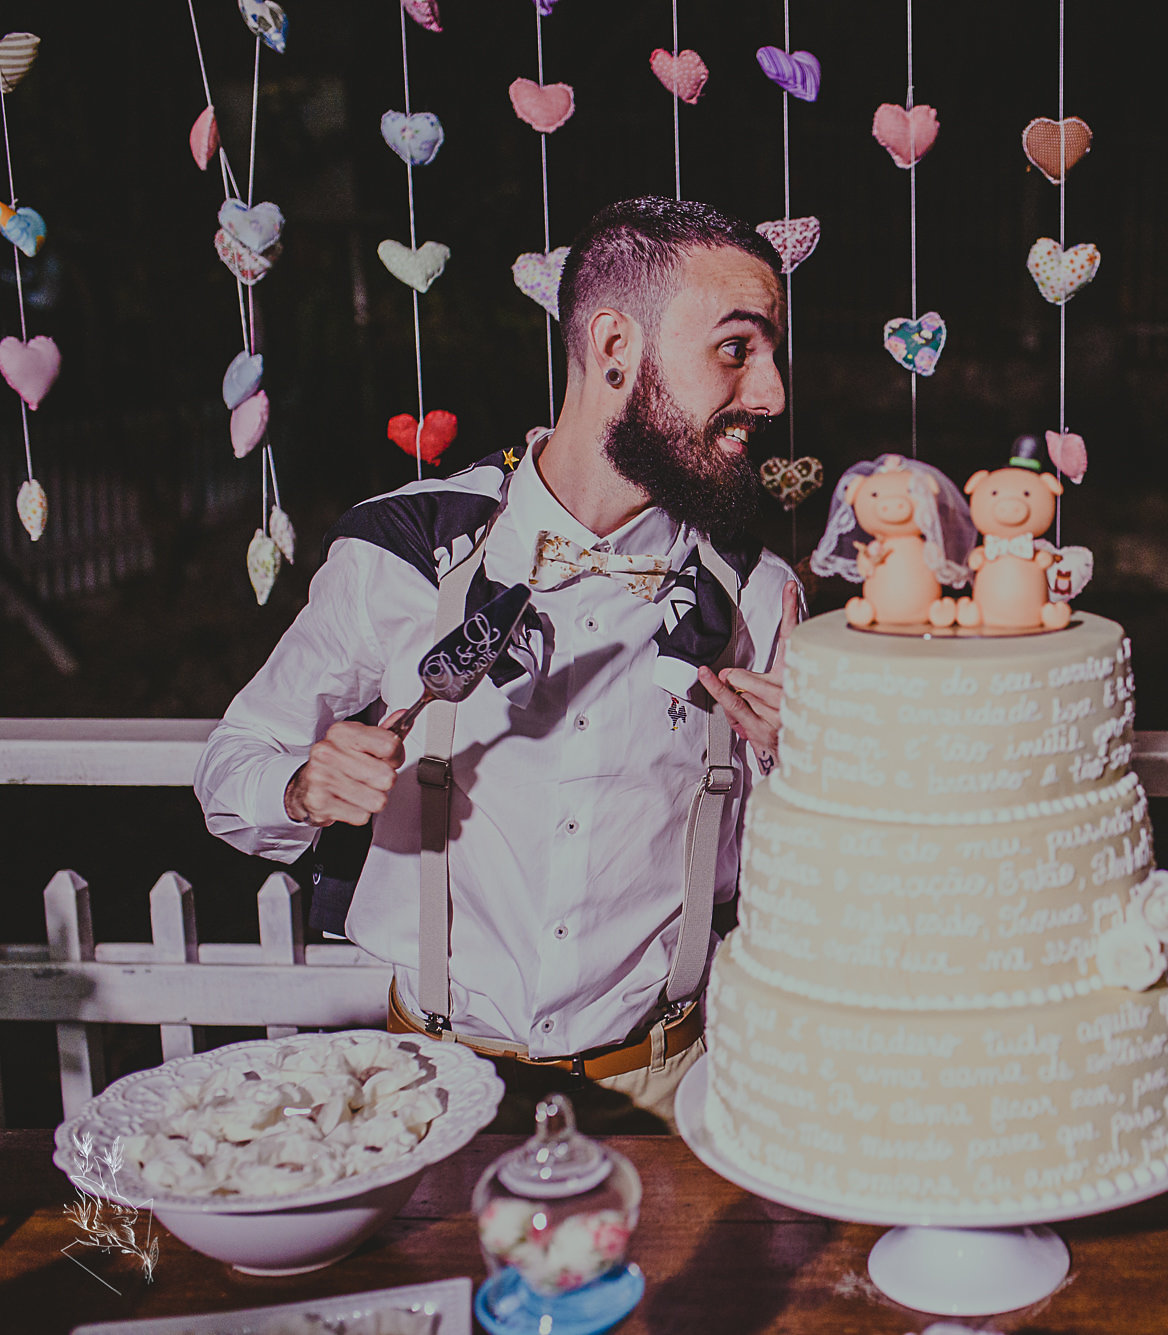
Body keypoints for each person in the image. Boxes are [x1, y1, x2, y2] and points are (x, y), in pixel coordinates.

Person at [195, 198, 803, 1132]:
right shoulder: (405, 549)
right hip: (428, 1087)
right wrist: (302, 788)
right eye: (736, 348)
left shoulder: (755, 592)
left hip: (670, 1092)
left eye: (770, 354)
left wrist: (807, 771)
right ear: (614, 346)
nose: (771, 395)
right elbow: (230, 767)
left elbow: (791, 875)